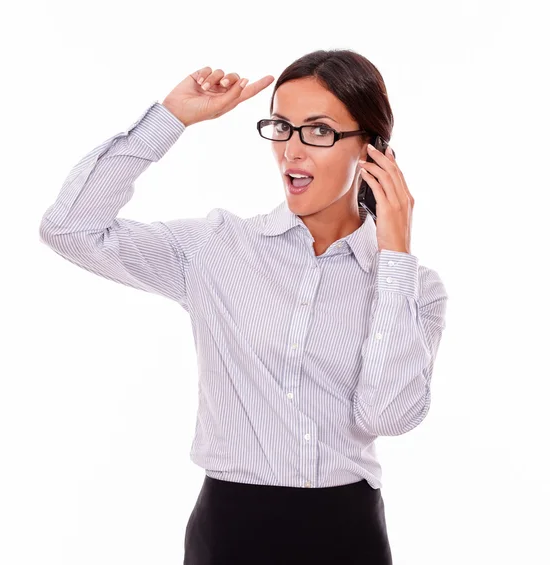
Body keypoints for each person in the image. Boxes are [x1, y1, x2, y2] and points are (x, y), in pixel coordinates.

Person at [39, 49, 448, 565]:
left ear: (371, 150)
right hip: (231, 531)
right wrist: (169, 120)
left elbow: (387, 415)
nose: (292, 151)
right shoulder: (217, 249)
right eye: (282, 127)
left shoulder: (414, 287)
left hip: (349, 535)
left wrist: (394, 259)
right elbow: (70, 229)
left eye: (318, 131)